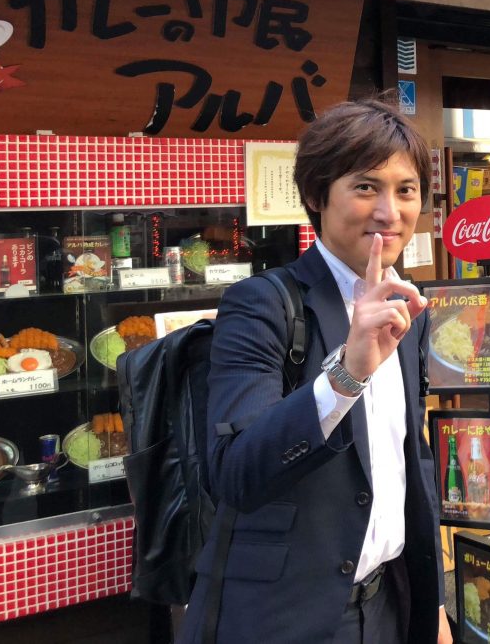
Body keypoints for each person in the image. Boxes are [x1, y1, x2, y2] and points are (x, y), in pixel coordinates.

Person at [178, 97, 452, 644]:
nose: (389, 212)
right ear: (315, 195)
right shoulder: (262, 304)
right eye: (366, 187)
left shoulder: (409, 309)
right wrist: (346, 375)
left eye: (406, 190)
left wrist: (435, 602)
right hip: (284, 617)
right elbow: (236, 473)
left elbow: (409, 457)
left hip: (388, 606)